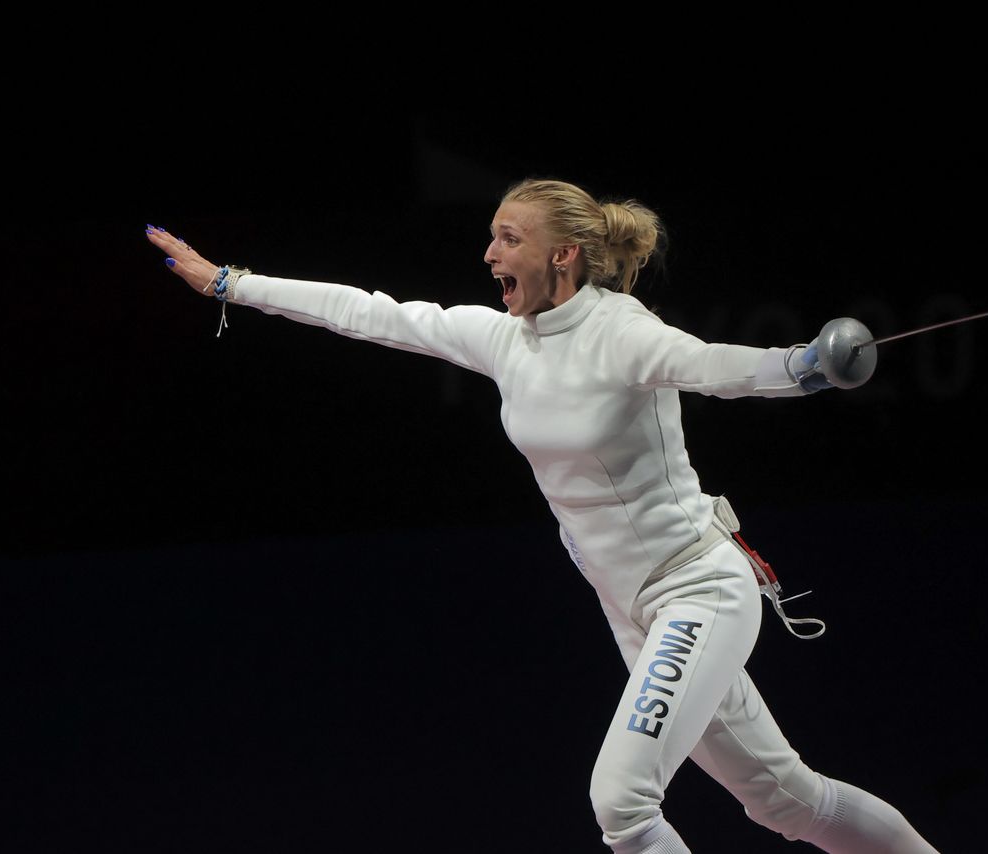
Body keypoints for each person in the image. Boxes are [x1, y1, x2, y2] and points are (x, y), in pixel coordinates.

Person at [146, 178, 937, 853]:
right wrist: (228, 283)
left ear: (562, 255)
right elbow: (368, 312)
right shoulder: (505, 341)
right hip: (635, 616)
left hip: (697, 591)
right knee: (786, 802)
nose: (489, 255)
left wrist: (800, 368)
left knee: (622, 804)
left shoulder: (621, 333)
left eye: (507, 238)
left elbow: (714, 367)